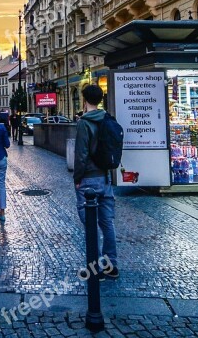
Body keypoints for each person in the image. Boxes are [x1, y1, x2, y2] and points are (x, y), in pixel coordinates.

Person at [74, 84, 118, 279]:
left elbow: (81, 154)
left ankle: (95, 269)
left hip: (89, 180)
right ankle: (111, 266)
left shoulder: (84, 122)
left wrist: (77, 178)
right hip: (106, 178)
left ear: (84, 100)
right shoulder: (107, 119)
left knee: (90, 224)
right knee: (107, 222)